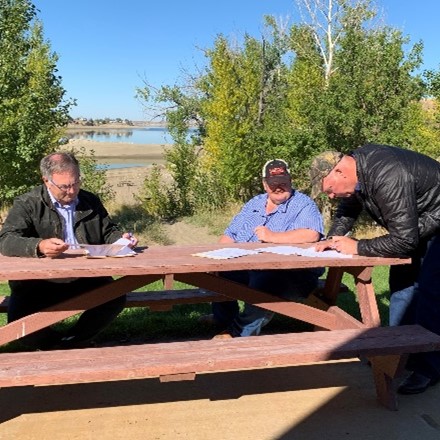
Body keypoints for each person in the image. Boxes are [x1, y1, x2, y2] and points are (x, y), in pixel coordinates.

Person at [309, 144, 440, 395]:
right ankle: (401, 356)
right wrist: (332, 238)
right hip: (417, 227)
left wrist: (358, 247)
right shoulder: (358, 171)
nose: (331, 196)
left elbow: (404, 240)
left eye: (330, 190)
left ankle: (428, 368)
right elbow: (349, 209)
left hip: (435, 225)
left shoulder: (386, 174)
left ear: (339, 172)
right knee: (402, 288)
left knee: (430, 294)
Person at [0, 152, 138, 350]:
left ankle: (74, 343)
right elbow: (6, 240)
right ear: (46, 181)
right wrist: (39, 246)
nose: (72, 191)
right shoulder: (27, 203)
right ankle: (58, 346)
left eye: (76, 183)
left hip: (87, 278)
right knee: (20, 326)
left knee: (114, 297)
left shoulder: (90, 200)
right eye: (64, 186)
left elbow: (108, 231)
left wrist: (121, 239)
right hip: (38, 283)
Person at [203, 159, 324, 338]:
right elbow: (230, 235)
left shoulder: (303, 204)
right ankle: (223, 317)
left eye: (283, 181)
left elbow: (311, 234)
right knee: (218, 274)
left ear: (290, 180)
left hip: (293, 275)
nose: (278, 186)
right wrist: (217, 259)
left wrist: (272, 237)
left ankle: (238, 333)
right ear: (265, 184)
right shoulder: (254, 203)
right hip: (248, 268)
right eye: (273, 182)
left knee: (265, 279)